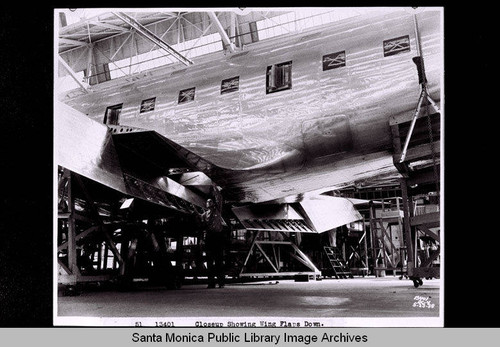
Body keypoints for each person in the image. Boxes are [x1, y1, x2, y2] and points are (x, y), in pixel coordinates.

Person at [198, 196, 226, 288]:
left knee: (218, 260)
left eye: (210, 201)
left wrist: (215, 189)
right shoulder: (205, 214)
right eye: (207, 201)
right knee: (210, 260)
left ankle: (221, 282)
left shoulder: (217, 211)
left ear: (213, 203)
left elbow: (220, 201)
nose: (208, 203)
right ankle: (211, 282)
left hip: (217, 237)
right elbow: (201, 222)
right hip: (210, 237)